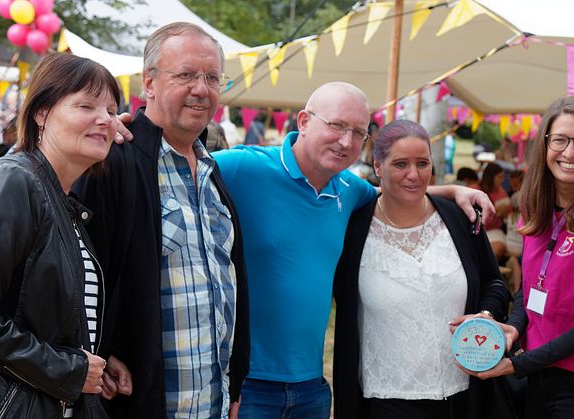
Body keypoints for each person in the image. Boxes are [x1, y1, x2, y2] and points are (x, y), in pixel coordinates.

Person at [211, 82, 493, 418]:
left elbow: (397, 186)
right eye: (336, 125)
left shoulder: (350, 190)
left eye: (358, 132)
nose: (346, 141)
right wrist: (131, 132)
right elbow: (177, 165)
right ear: (303, 122)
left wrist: (453, 190)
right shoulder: (245, 167)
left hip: (312, 388)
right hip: (247, 384)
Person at [74, 22, 250, 419]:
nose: (201, 88)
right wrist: (98, 354)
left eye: (211, 77)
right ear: (148, 82)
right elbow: (74, 278)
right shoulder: (113, 161)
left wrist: (234, 383)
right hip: (139, 402)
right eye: (186, 74)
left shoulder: (211, 172)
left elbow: (227, 284)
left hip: (213, 404)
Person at [0, 53, 125, 418]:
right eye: (86, 105)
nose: (105, 118)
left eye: (112, 109)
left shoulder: (62, 200)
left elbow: (44, 319)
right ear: (41, 113)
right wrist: (69, 370)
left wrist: (96, 358)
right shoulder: (10, 183)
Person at [457, 96, 574, 419]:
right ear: (545, 144)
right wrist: (513, 328)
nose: (570, 152)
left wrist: (516, 364)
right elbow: (529, 288)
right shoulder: (536, 203)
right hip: (541, 375)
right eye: (560, 139)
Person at [332, 120, 511, 419]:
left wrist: (485, 316)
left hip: (464, 394)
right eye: (401, 163)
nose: (414, 175)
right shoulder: (351, 226)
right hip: (387, 399)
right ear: (377, 165)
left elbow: (494, 282)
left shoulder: (460, 218)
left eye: (423, 163)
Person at [480, 162, 512, 260]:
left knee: (496, 250)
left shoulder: (501, 191)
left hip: (495, 230)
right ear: (491, 177)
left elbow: (508, 214)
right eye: (499, 177)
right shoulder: (477, 190)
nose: (502, 180)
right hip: (481, 229)